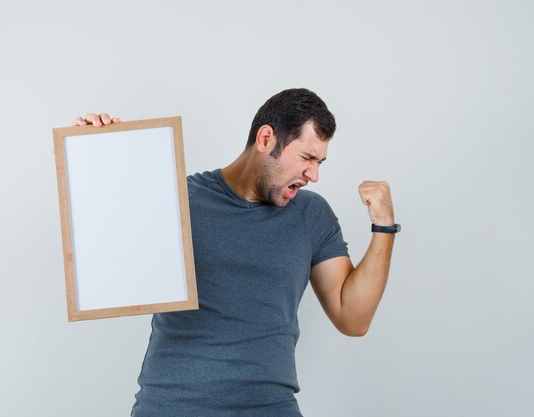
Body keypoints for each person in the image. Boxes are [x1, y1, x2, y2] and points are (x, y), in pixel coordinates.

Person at [73, 88, 399, 417]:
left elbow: (353, 319)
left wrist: (384, 226)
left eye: (320, 162)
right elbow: (104, 250)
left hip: (270, 408)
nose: (314, 175)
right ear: (266, 138)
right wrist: (96, 154)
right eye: (307, 158)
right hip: (173, 405)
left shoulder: (311, 214)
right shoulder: (178, 200)